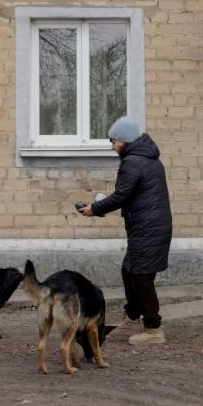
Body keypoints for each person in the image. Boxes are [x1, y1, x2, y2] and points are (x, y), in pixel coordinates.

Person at [78, 117, 172, 345]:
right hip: (150, 227)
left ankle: (153, 329)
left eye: (114, 141)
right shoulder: (148, 159)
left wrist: (94, 209)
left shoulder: (132, 162)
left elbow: (121, 196)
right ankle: (132, 318)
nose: (112, 146)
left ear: (125, 140)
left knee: (141, 278)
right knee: (129, 271)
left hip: (147, 229)